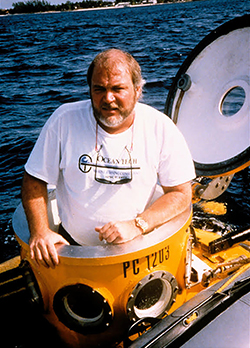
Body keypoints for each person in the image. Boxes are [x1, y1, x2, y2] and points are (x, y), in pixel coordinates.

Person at [21, 49, 195, 269]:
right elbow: (34, 179)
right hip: (72, 248)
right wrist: (40, 231)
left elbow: (181, 193)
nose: (108, 98)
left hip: (136, 248)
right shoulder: (63, 120)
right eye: (99, 89)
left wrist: (138, 225)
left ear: (138, 90)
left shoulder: (160, 127)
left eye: (118, 89)